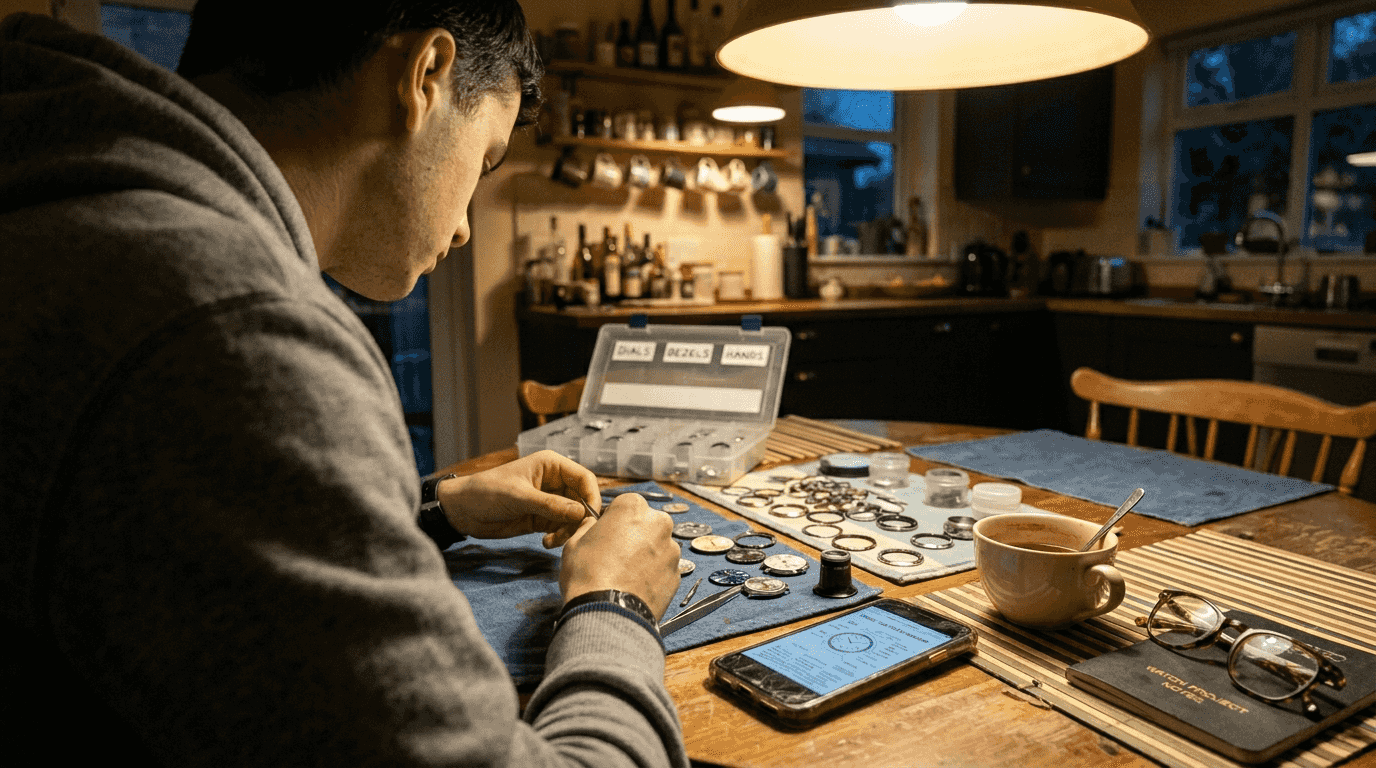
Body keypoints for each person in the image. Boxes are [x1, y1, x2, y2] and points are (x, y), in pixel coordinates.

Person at [0, 2, 686, 766]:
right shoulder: (229, 328)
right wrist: (614, 603)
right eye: (486, 160)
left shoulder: (70, 205)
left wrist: (435, 507)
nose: (466, 228)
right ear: (425, 76)